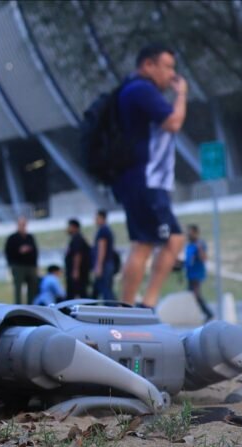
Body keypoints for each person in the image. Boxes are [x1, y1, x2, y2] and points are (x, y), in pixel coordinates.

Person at [113, 43, 188, 309]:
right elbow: (173, 122)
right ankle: (133, 307)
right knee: (150, 243)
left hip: (143, 181)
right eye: (167, 67)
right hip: (146, 180)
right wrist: (181, 94)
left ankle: (141, 305)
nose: (172, 74)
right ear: (148, 65)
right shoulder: (141, 90)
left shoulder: (132, 89)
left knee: (161, 240)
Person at [4, 215, 39, 304]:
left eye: (24, 224)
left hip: (30, 266)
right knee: (18, 288)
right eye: (21, 224)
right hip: (18, 266)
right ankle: (18, 305)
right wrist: (18, 253)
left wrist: (35, 266)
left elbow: (35, 251)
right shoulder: (12, 238)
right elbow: (8, 251)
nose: (23, 226)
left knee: (32, 287)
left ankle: (31, 306)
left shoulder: (30, 237)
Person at [184, 224, 214, 322]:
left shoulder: (200, 244)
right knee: (190, 295)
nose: (188, 234)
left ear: (195, 233)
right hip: (190, 274)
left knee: (196, 295)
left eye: (190, 232)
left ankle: (208, 314)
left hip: (197, 274)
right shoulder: (189, 245)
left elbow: (204, 258)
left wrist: (199, 249)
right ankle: (197, 314)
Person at [90, 209, 117, 301]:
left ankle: (113, 307)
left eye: (97, 218)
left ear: (102, 218)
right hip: (107, 264)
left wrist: (99, 266)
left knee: (105, 288)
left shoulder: (103, 231)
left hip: (105, 264)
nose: (95, 220)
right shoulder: (106, 230)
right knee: (99, 287)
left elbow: (102, 249)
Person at [64, 218, 91, 300]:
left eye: (69, 227)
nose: (68, 229)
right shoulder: (76, 238)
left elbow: (77, 255)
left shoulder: (77, 238)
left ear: (74, 227)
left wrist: (76, 270)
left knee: (79, 293)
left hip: (78, 273)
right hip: (77, 272)